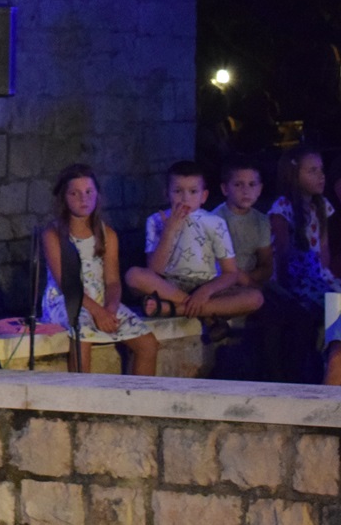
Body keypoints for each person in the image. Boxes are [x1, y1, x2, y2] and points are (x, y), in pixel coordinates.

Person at [41, 164, 159, 374]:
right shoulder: (53, 234)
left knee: (148, 344)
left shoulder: (107, 235)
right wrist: (98, 312)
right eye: (74, 193)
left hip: (101, 299)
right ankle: (82, 393)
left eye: (89, 192)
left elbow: (113, 281)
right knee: (82, 334)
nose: (83, 199)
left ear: (97, 195)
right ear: (64, 198)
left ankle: (137, 394)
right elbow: (67, 284)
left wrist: (110, 309)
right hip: (67, 300)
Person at [124, 160, 263, 325]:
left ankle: (173, 309)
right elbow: (154, 270)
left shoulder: (215, 222)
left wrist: (205, 291)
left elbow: (230, 273)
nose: (185, 198)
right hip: (169, 287)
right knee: (133, 275)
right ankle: (199, 309)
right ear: (166, 193)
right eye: (178, 191)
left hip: (206, 285)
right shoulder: (156, 221)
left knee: (255, 298)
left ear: (204, 196)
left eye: (193, 191)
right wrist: (169, 231)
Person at [269, 147, 341, 384]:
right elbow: (281, 254)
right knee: (334, 302)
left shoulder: (321, 206)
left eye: (321, 170)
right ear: (293, 174)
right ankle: (331, 364)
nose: (321, 176)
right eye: (312, 171)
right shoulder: (283, 207)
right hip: (296, 279)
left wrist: (328, 278)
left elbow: (324, 251)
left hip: (318, 277)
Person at [210, 157, 274, 291]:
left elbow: (266, 266)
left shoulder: (261, 221)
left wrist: (245, 280)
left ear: (260, 189)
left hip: (250, 282)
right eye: (238, 185)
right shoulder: (214, 220)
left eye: (252, 184)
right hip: (219, 284)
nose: (246, 191)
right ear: (225, 189)